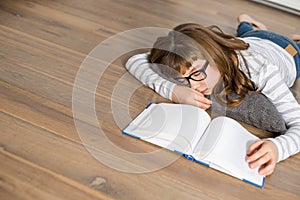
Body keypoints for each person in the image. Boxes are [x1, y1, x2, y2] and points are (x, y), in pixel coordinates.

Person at [125, 14, 300, 176]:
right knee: (247, 31)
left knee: (278, 40)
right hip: (251, 40)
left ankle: (259, 27)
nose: (194, 86)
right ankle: (250, 25)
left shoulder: (261, 71)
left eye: (197, 73)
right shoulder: (198, 59)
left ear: (215, 55)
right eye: (184, 80)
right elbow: (135, 60)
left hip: (287, 52)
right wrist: (174, 90)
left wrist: (278, 148)